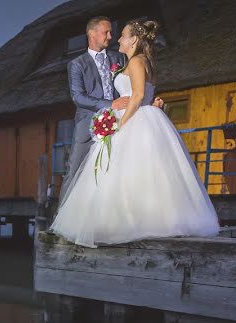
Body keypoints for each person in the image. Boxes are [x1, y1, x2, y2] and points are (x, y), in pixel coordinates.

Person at [51, 20, 220, 247]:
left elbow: (138, 93)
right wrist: (115, 105)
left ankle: (123, 221)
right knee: (83, 169)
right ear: (92, 33)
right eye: (108, 32)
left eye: (119, 34)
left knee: (125, 172)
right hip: (102, 118)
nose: (114, 38)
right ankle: (67, 217)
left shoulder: (127, 60)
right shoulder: (80, 63)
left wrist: (125, 121)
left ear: (133, 40)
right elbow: (79, 97)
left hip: (130, 117)